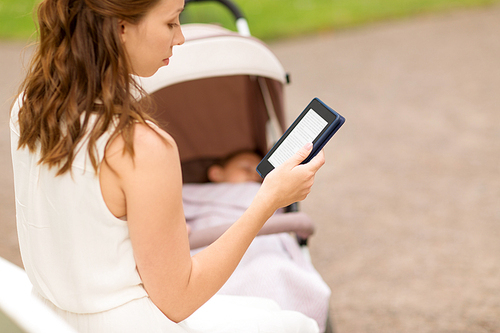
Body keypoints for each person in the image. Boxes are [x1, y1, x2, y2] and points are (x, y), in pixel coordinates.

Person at [10, 0, 325, 332]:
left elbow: (79, 224)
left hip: (48, 319)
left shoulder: (29, 107)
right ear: (121, 29)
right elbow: (178, 300)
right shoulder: (140, 145)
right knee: (294, 323)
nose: (181, 38)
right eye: (171, 23)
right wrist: (268, 200)